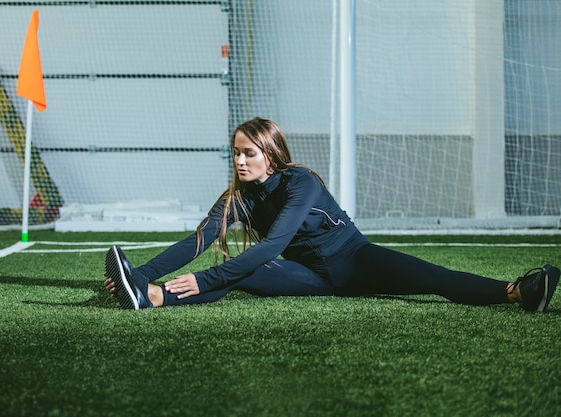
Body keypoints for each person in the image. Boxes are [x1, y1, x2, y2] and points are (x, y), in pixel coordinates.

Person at [103, 117, 560, 312]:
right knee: (235, 272)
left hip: (355, 260)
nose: (239, 162)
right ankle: (152, 298)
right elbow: (197, 241)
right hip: (308, 277)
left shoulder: (302, 181)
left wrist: (205, 279)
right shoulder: (238, 197)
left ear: (270, 153)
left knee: (433, 278)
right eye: (235, 154)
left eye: (248, 154)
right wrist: (138, 274)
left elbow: (274, 244)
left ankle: (519, 292)